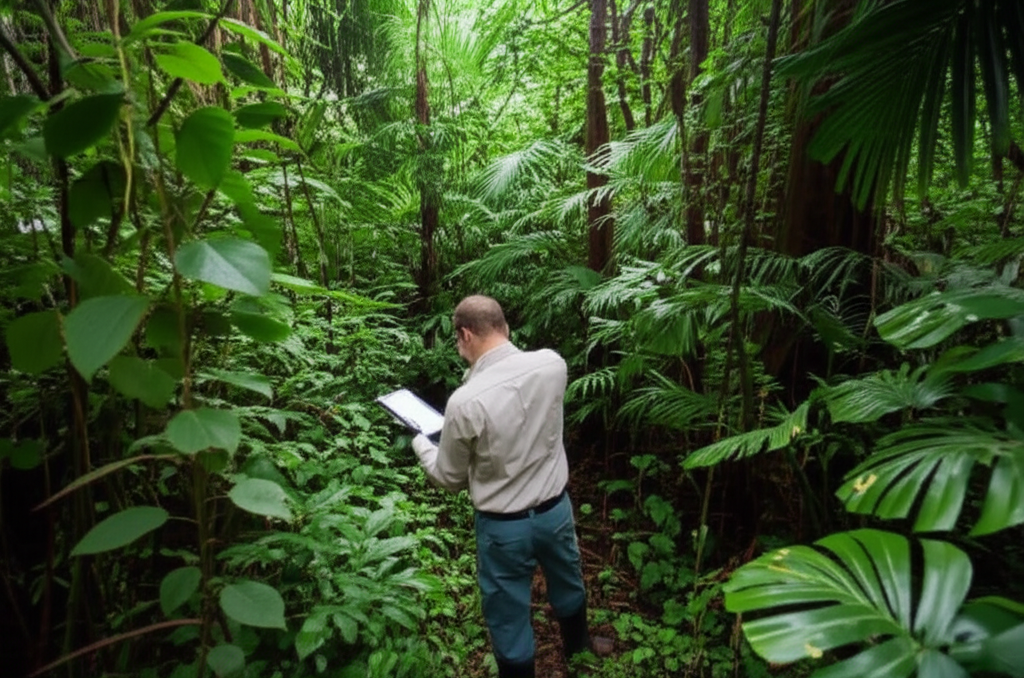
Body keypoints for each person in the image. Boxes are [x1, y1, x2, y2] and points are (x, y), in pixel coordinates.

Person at [411, 295, 592, 678]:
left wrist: (423, 445)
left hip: (503, 527)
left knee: (508, 614)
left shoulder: (465, 402)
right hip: (555, 510)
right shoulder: (552, 365)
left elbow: (449, 478)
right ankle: (580, 650)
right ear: (504, 326)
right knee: (567, 577)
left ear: (464, 335)